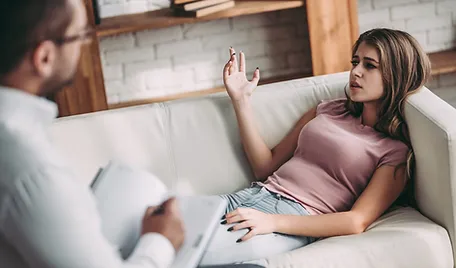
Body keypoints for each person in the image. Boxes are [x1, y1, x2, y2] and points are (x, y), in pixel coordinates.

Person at [202, 28, 431, 265]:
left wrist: (272, 220)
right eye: (355, 62)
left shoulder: (395, 151)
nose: (355, 72)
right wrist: (241, 101)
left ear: (397, 75)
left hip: (291, 219)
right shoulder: (329, 109)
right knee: (164, 223)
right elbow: (265, 166)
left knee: (181, 253)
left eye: (369, 65)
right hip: (247, 196)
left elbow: (356, 221)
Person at [0, 0, 186, 267]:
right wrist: (161, 241)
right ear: (44, 58)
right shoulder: (31, 170)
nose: (84, 45)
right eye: (80, 35)